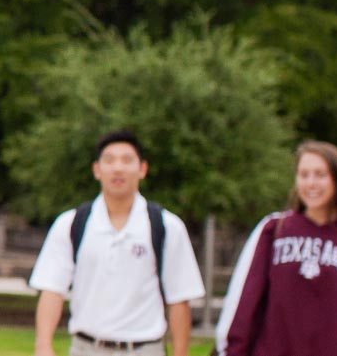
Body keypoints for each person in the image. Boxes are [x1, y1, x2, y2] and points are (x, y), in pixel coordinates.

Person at [28, 131, 206, 356]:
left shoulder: (166, 226)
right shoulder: (71, 224)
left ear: (142, 169)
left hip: (144, 349)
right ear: (96, 169)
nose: (118, 168)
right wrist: (43, 345)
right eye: (109, 160)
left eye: (127, 160)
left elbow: (179, 299)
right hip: (86, 349)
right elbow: (52, 289)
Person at [216, 141, 337, 356]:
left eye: (320, 175)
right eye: (304, 175)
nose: (311, 183)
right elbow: (246, 306)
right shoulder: (274, 230)